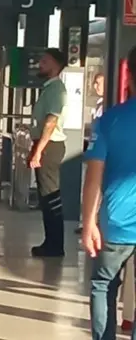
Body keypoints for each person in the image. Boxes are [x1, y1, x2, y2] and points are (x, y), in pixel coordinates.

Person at [82, 45, 136, 340]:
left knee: (103, 284)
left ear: (129, 77)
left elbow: (93, 178)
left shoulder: (109, 120)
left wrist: (88, 222)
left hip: (114, 221)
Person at [28, 48, 68, 258]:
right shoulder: (49, 88)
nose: (40, 64)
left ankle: (55, 245)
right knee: (46, 195)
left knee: (50, 195)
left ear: (55, 65)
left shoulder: (56, 90)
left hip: (50, 146)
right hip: (46, 145)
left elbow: (51, 122)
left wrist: (38, 151)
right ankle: (51, 241)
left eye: (45, 61)